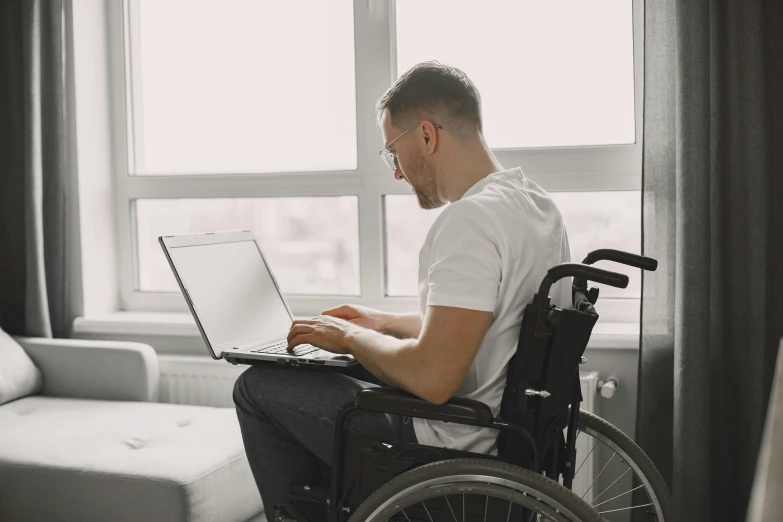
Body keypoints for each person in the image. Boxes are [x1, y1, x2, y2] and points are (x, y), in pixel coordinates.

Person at [232, 61, 571, 521]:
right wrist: (379, 322)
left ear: (427, 136)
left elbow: (434, 378)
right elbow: (490, 326)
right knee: (317, 369)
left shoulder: (469, 222)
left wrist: (351, 339)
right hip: (507, 434)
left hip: (449, 446)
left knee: (257, 386)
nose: (396, 173)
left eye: (394, 152)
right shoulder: (533, 205)